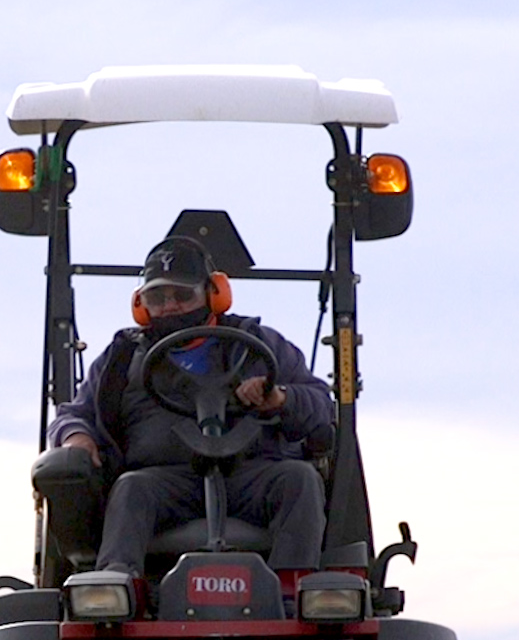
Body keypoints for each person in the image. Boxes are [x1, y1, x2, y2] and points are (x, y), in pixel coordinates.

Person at [45, 237, 332, 577]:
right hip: (165, 481)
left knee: (299, 479)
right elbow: (74, 414)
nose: (169, 306)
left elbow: (321, 404)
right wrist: (77, 437)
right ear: (141, 303)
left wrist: (279, 398)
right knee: (130, 487)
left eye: (182, 295)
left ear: (213, 294)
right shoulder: (121, 358)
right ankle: (116, 587)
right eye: (157, 297)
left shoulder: (258, 345)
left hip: (249, 476)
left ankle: (291, 590)